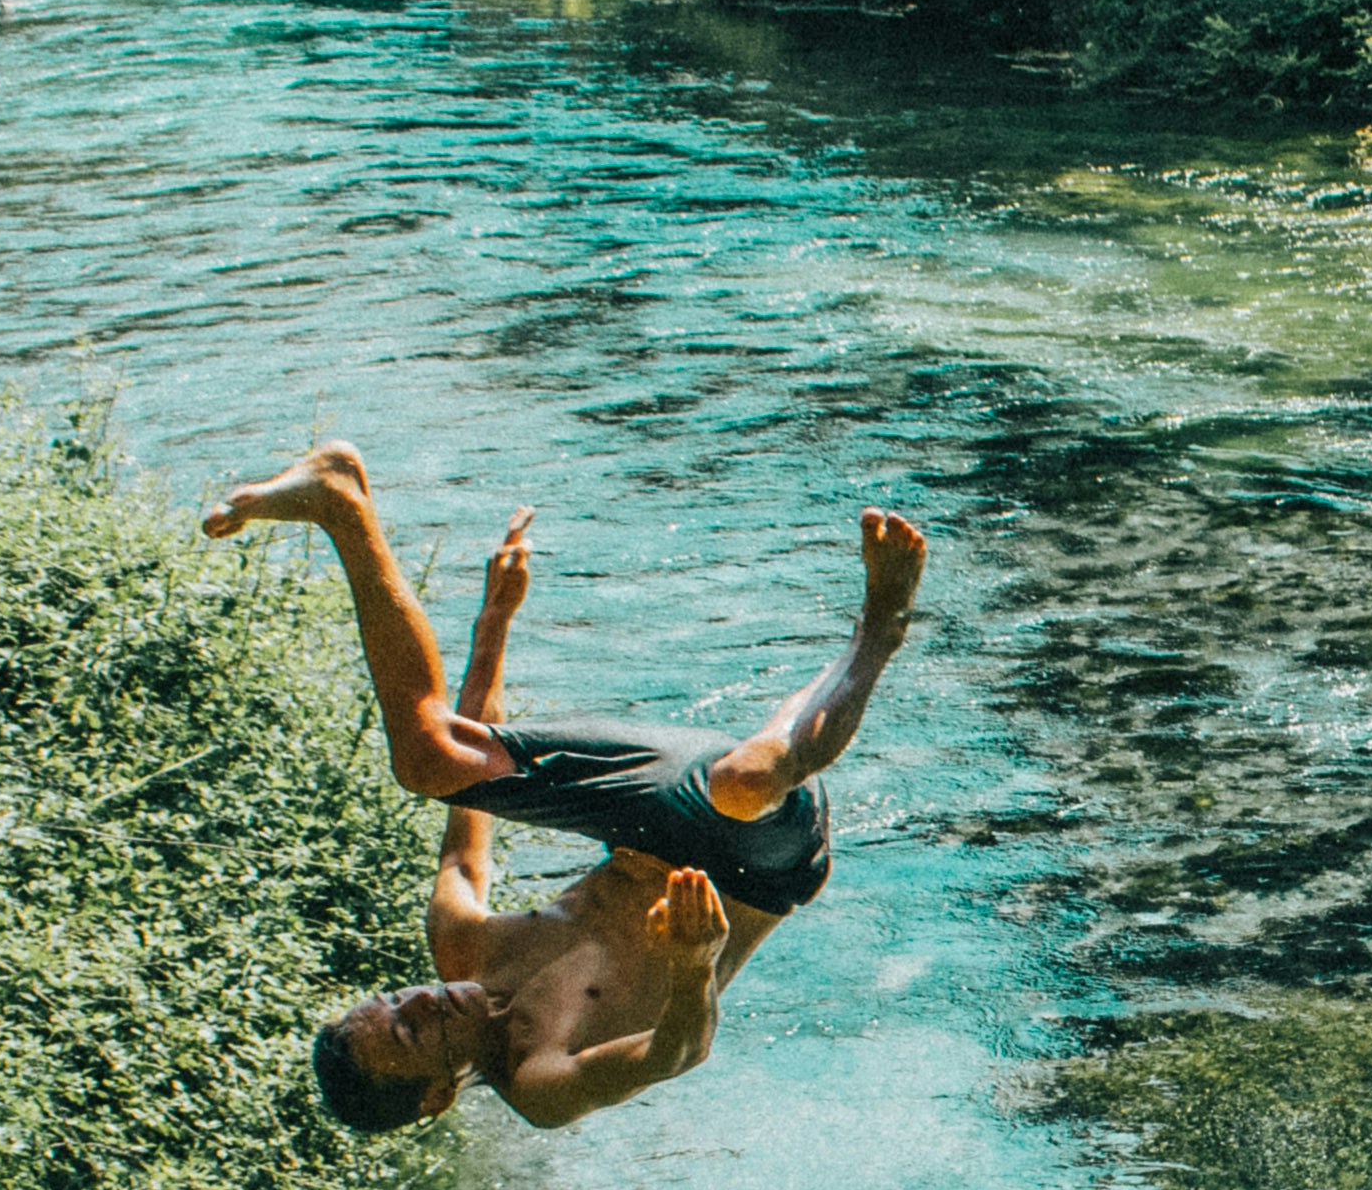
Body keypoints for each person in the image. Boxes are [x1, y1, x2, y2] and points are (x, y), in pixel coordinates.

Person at [205, 443, 925, 1133]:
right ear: (433, 1097)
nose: (423, 996)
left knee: (428, 762)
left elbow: (466, 809)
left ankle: (339, 498)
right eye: (412, 1028)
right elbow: (676, 1052)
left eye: (397, 997)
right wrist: (692, 964)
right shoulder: (539, 1081)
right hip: (756, 868)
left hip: (645, 824)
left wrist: (494, 625)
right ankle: (876, 635)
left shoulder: (461, 948)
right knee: (746, 780)